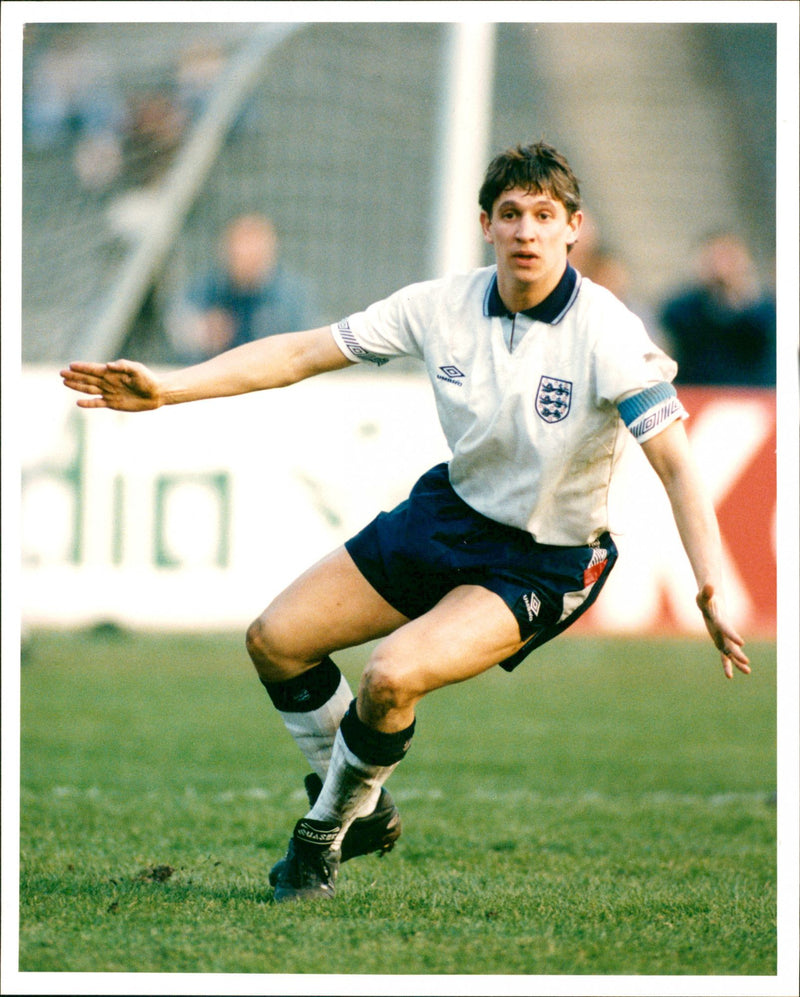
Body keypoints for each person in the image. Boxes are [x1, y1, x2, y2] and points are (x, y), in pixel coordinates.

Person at [61, 141, 750, 904]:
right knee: (275, 640)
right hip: (449, 513)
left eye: (544, 216)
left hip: (544, 560)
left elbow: (679, 465)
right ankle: (366, 804)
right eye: (512, 214)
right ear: (486, 224)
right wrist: (170, 389)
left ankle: (319, 837)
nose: (527, 231)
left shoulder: (610, 334)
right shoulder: (439, 306)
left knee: (390, 676)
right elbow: (301, 352)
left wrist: (711, 582)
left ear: (573, 228)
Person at [165, 213, 316, 363]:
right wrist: (201, 335)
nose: (246, 253)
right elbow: (177, 329)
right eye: (240, 246)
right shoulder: (205, 289)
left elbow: (305, 349)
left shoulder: (291, 296)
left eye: (254, 246)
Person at [658, 230, 776, 386]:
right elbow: (673, 322)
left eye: (730, 258)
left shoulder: (762, 307)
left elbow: (763, 335)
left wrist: (739, 298)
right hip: (698, 391)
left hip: (751, 392)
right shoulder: (685, 307)